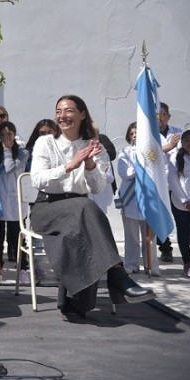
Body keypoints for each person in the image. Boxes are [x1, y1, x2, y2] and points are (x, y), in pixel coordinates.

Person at [29, 95, 155, 320]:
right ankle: (118, 274)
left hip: (79, 209)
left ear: (82, 114)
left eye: (68, 110)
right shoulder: (45, 142)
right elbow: (37, 180)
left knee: (82, 217)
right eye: (59, 111)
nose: (62, 116)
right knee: (86, 208)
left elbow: (97, 187)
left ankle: (77, 302)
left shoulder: (93, 145)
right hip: (47, 207)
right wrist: (70, 165)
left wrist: (89, 165)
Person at [0, 121, 30, 284]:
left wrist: (6, 149)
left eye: (9, 134)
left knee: (17, 237)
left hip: (15, 201)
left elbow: (10, 168)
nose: (6, 137)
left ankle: (23, 268)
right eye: (3, 135)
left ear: (14, 133)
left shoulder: (22, 152)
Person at [116, 122, 158, 275]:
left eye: (139, 133)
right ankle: (132, 264)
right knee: (131, 236)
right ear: (129, 136)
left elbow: (161, 172)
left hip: (149, 198)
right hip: (130, 200)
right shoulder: (125, 152)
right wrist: (140, 165)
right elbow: (125, 174)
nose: (135, 136)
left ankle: (151, 265)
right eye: (133, 133)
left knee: (150, 236)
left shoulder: (152, 152)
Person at [167, 129, 190, 277]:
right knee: (184, 233)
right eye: (187, 140)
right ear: (182, 142)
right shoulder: (175, 157)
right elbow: (173, 180)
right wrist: (184, 201)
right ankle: (187, 262)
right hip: (181, 203)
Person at [157, 102, 184, 262]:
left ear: (168, 116)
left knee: (183, 218)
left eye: (163, 114)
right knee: (161, 218)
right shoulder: (147, 134)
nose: (159, 118)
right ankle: (165, 249)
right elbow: (148, 154)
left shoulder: (178, 133)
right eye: (156, 115)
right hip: (159, 183)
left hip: (178, 184)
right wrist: (170, 146)